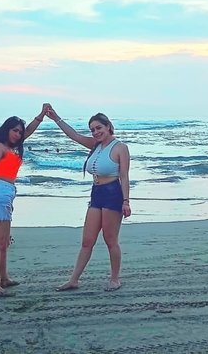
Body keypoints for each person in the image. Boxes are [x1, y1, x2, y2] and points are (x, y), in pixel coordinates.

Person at [46, 107, 131, 292]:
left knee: (110, 240)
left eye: (99, 128)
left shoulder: (120, 147)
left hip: (113, 193)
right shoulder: (95, 145)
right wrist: (56, 118)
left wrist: (126, 201)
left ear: (108, 126)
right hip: (96, 193)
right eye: (92, 129)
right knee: (87, 240)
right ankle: (73, 280)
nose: (96, 132)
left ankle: (115, 279)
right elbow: (74, 136)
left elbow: (124, 176)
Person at [0, 104, 51, 297]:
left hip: (6, 193)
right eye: (14, 130)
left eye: (19, 132)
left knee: (4, 242)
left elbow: (29, 130)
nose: (18, 134)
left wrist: (42, 115)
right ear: (7, 129)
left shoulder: (13, 148)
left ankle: (4, 278)